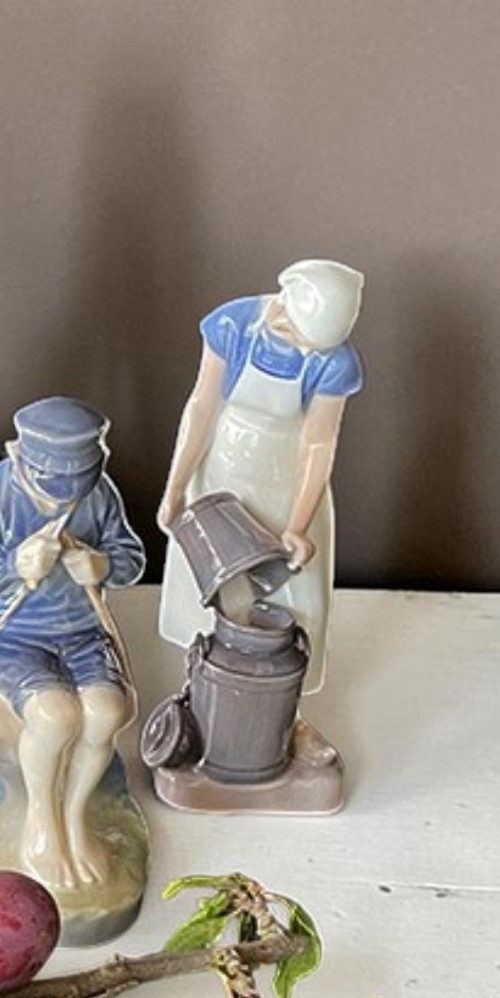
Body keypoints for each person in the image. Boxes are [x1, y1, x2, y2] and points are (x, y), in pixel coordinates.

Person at [0, 398, 146, 888]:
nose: (63, 498)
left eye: (76, 485)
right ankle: (41, 820)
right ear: (22, 458)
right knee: (56, 715)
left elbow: (131, 556)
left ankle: (75, 817)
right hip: (16, 637)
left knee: (106, 710)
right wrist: (13, 563)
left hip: (82, 632)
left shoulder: (98, 493)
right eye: (54, 486)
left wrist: (102, 566)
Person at [157, 261, 366, 692]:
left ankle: (279, 703)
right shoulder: (233, 324)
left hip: (286, 481)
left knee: (290, 591)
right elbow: (201, 408)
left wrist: (298, 525)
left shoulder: (335, 362)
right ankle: (202, 689)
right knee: (214, 579)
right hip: (221, 472)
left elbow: (318, 444)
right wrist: (176, 487)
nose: (308, 349)